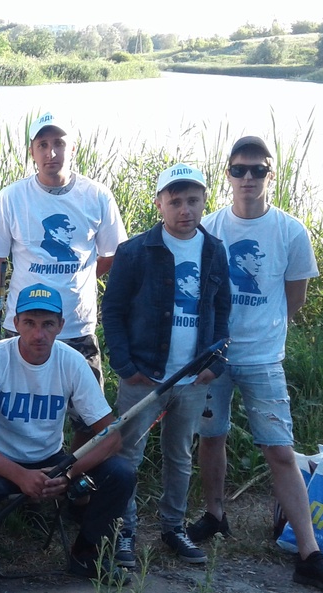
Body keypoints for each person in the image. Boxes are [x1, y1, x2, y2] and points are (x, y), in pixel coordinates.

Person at [191, 136, 323, 593]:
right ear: (227, 174)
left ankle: (309, 553)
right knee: (211, 437)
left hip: (263, 358)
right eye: (239, 169)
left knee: (279, 450)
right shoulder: (211, 228)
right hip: (214, 356)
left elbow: (294, 297)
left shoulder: (290, 231)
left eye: (257, 170)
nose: (247, 178)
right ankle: (215, 516)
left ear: (270, 175)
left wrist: (264, 328)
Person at [0, 284, 135, 593]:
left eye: (48, 324)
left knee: (120, 472)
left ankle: (87, 551)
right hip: (0, 462)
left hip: (52, 462)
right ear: (16, 323)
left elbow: (111, 437)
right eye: (30, 323)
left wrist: (67, 472)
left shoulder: (71, 360)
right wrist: (20, 475)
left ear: (61, 326)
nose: (39, 334)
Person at [102, 163, 231, 568]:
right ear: (159, 204)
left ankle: (173, 528)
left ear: (204, 202)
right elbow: (114, 310)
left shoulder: (214, 251)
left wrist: (217, 361)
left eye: (192, 200)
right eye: (174, 201)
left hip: (193, 378)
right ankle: (123, 531)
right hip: (145, 375)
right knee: (128, 456)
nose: (184, 210)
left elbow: (223, 309)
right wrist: (125, 365)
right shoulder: (135, 252)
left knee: (180, 456)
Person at [0, 112, 127, 384]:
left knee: (88, 419)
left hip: (77, 327)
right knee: (17, 413)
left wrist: (79, 277)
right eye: (43, 145)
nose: (51, 153)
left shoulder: (97, 196)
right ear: (32, 152)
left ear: (73, 149)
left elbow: (114, 255)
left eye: (59, 143)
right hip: (23, 327)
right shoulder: (11, 198)